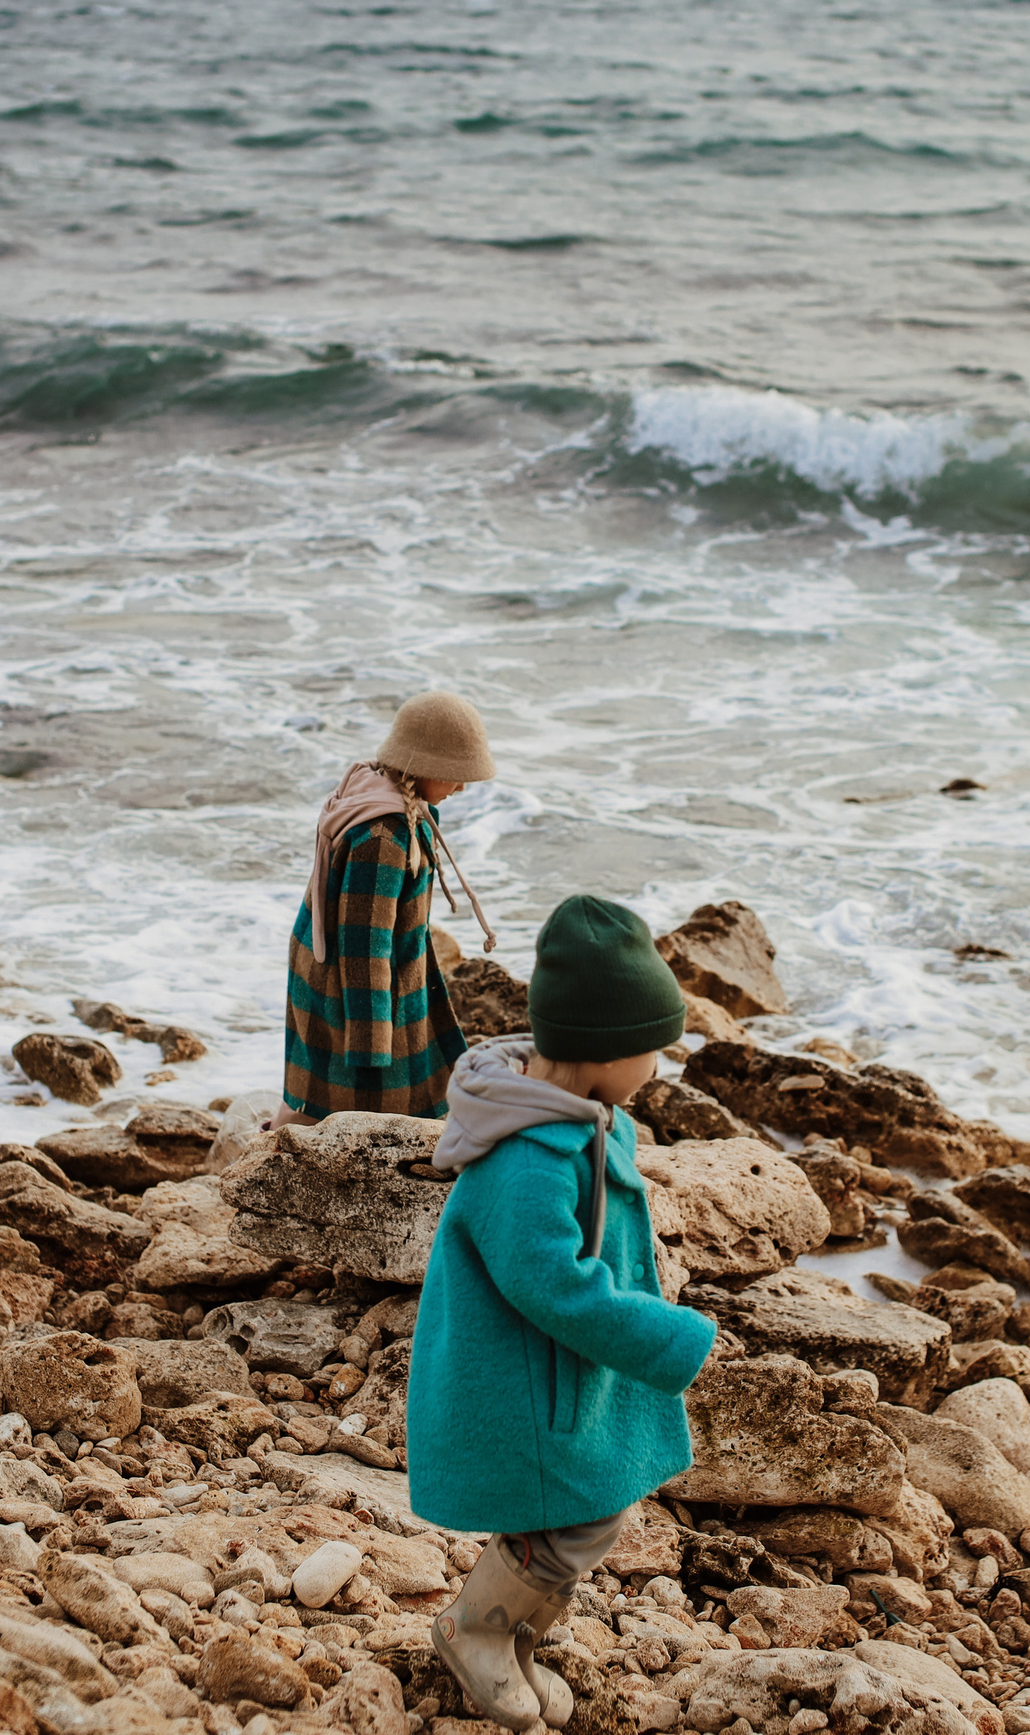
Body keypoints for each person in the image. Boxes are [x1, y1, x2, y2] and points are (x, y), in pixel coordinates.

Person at [409, 896, 718, 1731]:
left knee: (587, 1508)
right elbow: (550, 1283)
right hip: (524, 1375)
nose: (658, 1062)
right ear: (603, 1051)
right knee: (573, 1516)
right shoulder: (530, 1157)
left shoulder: (588, 1119)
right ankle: (473, 1629)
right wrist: (665, 1334)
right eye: (651, 1046)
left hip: (565, 1369)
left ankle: (515, 1642)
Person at [276, 691, 498, 1129]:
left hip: (337, 966)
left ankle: (275, 1145)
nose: (461, 787)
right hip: (355, 986)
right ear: (422, 767)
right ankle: (271, 1158)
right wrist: (372, 1038)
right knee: (354, 1100)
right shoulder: (384, 837)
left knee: (318, 1090)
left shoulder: (389, 796)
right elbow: (364, 943)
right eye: (454, 774)